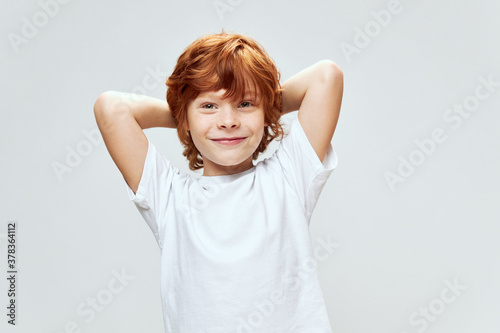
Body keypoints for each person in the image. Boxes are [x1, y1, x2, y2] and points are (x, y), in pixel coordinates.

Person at [94, 31, 343, 333]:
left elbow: (326, 77)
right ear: (185, 118)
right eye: (209, 106)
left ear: (266, 112)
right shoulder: (170, 198)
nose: (228, 121)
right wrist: (186, 111)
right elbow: (111, 108)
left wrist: (258, 104)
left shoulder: (289, 177)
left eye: (245, 104)